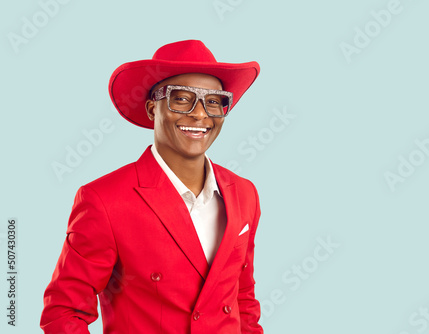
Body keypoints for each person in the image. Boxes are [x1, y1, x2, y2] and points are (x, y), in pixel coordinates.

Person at [40, 40, 263, 333]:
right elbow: (64, 313)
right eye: (181, 99)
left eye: (213, 101)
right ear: (151, 109)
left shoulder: (244, 193)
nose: (199, 114)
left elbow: (243, 300)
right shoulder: (104, 200)